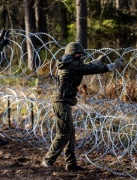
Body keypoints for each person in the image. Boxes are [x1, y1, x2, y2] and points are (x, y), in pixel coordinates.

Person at [41, 42, 125, 171]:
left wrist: (96, 61)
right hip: (61, 102)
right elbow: (88, 69)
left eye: (80, 53)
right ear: (71, 54)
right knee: (64, 133)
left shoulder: (68, 62)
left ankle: (71, 164)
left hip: (63, 101)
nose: (80, 55)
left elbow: (85, 67)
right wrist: (112, 65)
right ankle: (48, 160)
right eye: (78, 53)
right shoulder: (71, 64)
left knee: (70, 133)